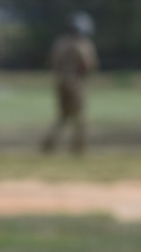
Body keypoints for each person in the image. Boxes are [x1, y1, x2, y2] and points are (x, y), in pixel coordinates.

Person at [40, 11, 99, 155]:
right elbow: (87, 64)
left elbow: (54, 62)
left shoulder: (60, 42)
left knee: (63, 115)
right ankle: (79, 146)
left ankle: (49, 142)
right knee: (80, 116)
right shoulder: (82, 44)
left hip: (60, 80)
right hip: (75, 82)